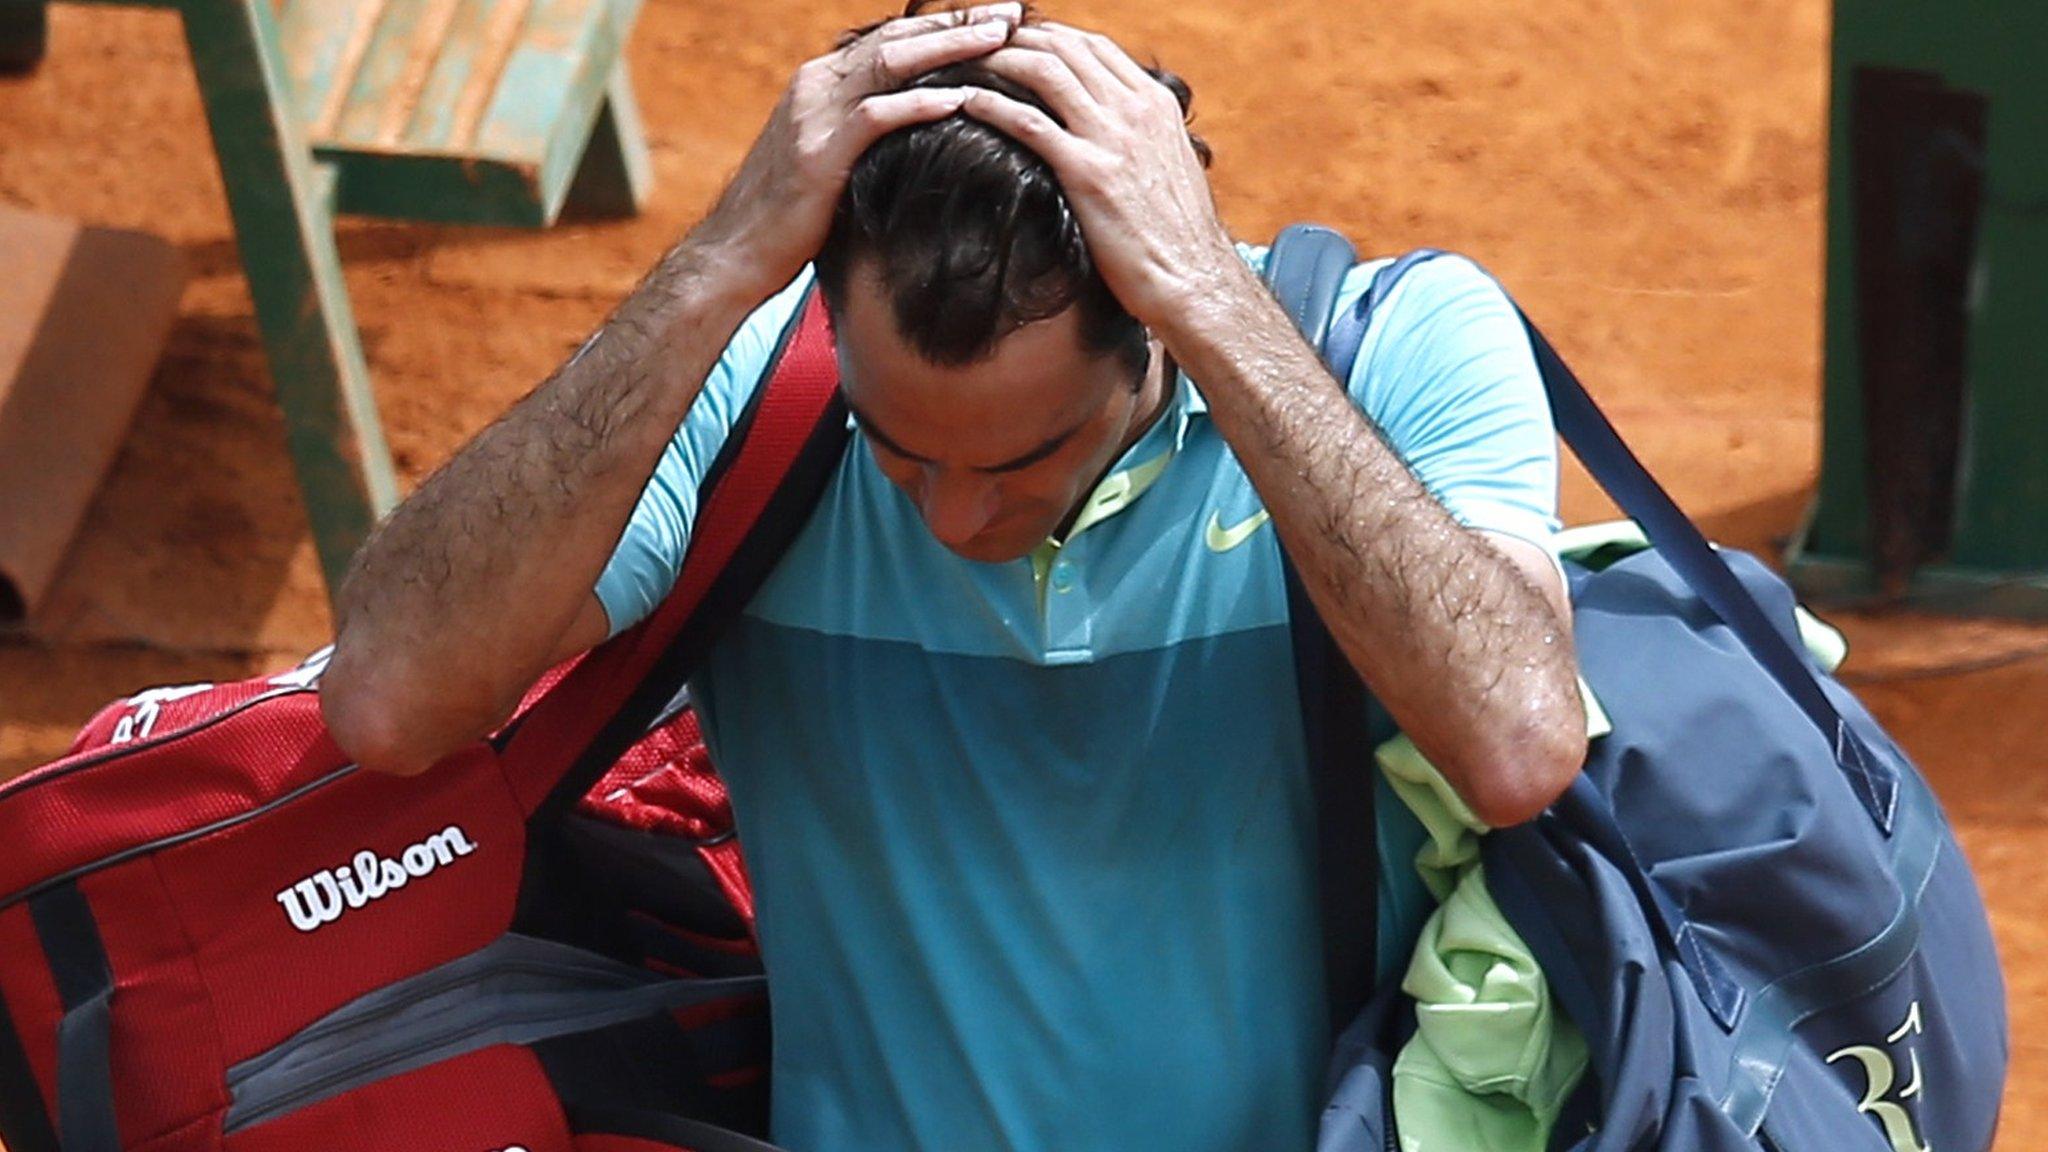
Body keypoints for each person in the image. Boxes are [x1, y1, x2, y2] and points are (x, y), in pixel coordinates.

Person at [319, 3, 1588, 1149]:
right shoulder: (759, 393)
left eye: (1024, 457)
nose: (954, 514)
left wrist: (1216, 302)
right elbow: (391, 698)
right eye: (899, 449)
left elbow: (1515, 739)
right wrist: (710, 269)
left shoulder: (1391, 348)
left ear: (1151, 317)